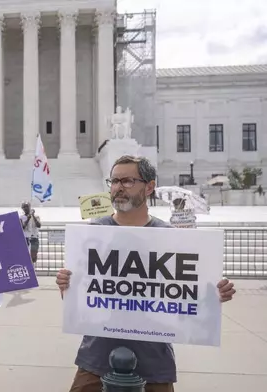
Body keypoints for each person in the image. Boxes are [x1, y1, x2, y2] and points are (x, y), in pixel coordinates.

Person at [55, 155, 237, 392]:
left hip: (153, 362)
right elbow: (80, 302)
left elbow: (188, 300)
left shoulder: (169, 236)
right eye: (114, 181)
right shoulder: (95, 232)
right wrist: (67, 287)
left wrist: (214, 295)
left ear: (149, 186)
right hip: (97, 357)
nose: (119, 187)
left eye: (128, 181)